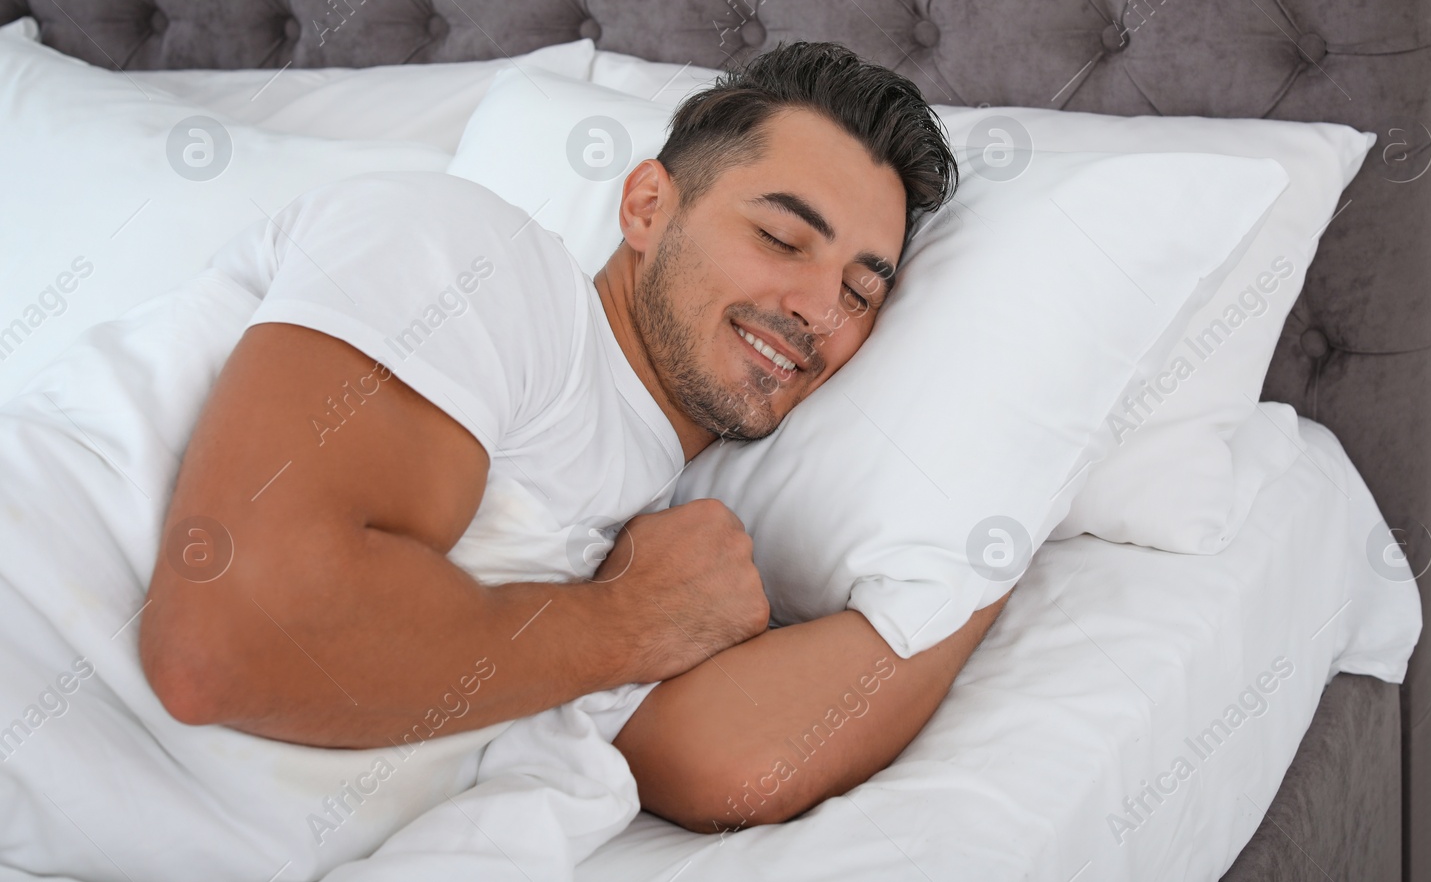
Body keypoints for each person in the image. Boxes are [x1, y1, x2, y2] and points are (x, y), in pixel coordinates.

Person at [138, 41, 1010, 834]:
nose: (821, 310)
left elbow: (724, 766)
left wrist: (996, 548)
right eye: (782, 237)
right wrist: (623, 624)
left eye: (860, 293)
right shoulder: (479, 260)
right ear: (646, 207)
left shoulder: (661, 541)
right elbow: (225, 642)